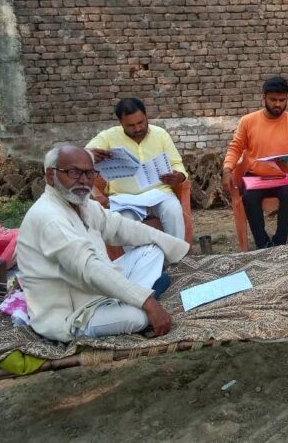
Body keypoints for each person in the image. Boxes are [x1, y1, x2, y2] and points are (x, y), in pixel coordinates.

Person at [16, 146, 189, 342]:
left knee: (151, 248)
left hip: (97, 288)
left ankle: (130, 296)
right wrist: (147, 302)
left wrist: (178, 247)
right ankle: (138, 297)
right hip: (74, 313)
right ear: (50, 175)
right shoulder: (49, 217)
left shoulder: (82, 204)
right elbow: (90, 268)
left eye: (89, 173)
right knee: (139, 317)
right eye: (73, 172)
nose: (83, 180)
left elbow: (121, 227)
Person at [222, 76, 288, 249]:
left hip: (284, 176)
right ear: (263, 97)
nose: (278, 104)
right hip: (255, 177)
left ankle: (279, 241)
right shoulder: (248, 121)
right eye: (273, 100)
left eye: (282, 100)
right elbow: (235, 148)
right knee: (249, 198)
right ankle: (263, 243)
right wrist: (227, 170)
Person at [87, 98, 188, 240]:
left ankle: (176, 258)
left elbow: (177, 164)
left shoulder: (161, 135)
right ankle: (136, 262)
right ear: (121, 123)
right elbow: (85, 152)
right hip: (124, 198)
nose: (137, 128)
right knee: (124, 222)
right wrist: (89, 154)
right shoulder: (108, 137)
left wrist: (179, 176)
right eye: (131, 125)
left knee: (173, 210)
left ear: (146, 116)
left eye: (140, 122)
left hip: (159, 193)